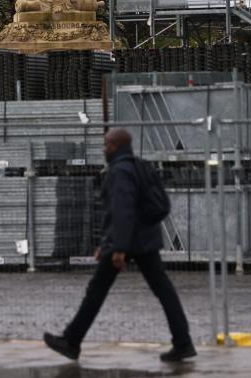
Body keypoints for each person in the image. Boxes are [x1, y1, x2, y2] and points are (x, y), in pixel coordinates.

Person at [44, 129, 196, 363]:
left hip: (127, 241)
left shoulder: (120, 172)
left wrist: (118, 248)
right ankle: (183, 342)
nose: (103, 149)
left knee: (96, 291)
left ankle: (71, 341)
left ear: (115, 146)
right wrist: (105, 243)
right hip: (144, 240)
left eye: (106, 144)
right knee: (164, 291)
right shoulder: (138, 166)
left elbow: (122, 212)